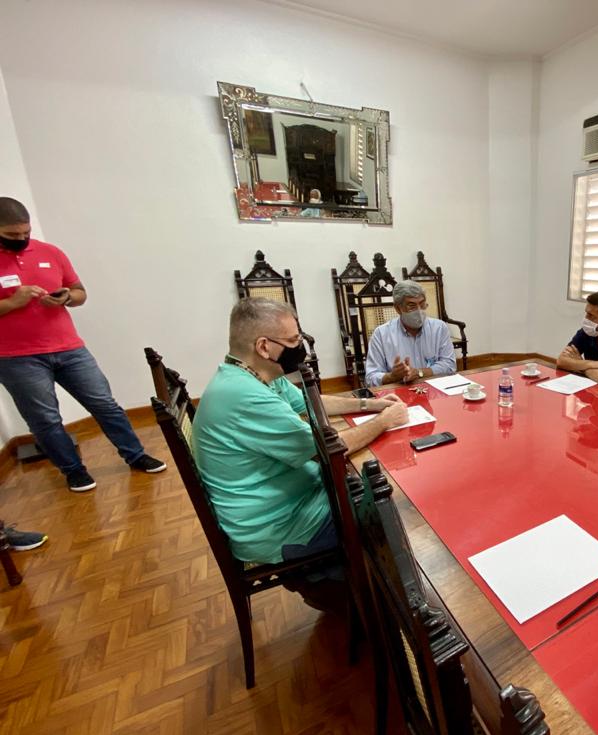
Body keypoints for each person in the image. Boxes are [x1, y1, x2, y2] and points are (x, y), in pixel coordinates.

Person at [192, 297, 408, 606]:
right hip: (281, 526)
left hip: (290, 501)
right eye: (293, 341)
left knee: (367, 490)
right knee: (384, 509)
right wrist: (385, 421)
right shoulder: (244, 396)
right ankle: (378, 602)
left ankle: (367, 589)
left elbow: (312, 402)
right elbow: (329, 449)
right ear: (264, 346)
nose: (299, 347)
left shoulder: (251, 373)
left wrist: (370, 404)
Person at [0, 197, 166, 492]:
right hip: (16, 358)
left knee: (104, 404)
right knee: (45, 419)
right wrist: (13, 302)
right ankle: (74, 471)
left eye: (26, 232)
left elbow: (79, 292)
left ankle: (136, 455)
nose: (21, 238)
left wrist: (66, 297)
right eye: (13, 234)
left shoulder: (51, 252)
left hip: (69, 348)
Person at [364, 280, 456, 387]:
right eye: (412, 306)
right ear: (398, 308)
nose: (419, 311)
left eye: (422, 304)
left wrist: (419, 373)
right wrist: (392, 377)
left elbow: (449, 365)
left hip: (434, 388)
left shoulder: (439, 328)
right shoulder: (381, 334)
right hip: (398, 390)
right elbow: (370, 378)